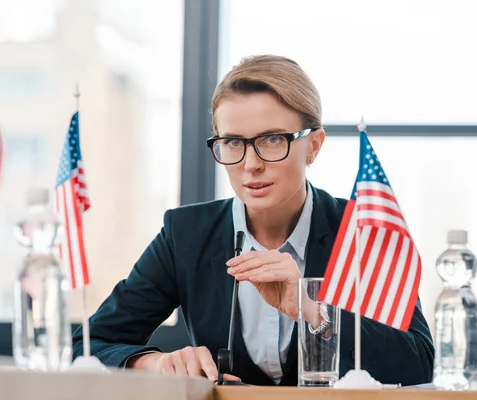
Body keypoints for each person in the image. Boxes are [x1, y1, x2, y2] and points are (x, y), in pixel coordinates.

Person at [72, 54, 434, 386]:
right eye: (232, 142)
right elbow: (87, 346)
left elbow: (419, 361)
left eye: (272, 139)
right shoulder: (185, 234)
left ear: (314, 145)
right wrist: (156, 363)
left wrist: (313, 312)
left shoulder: (362, 230)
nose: (250, 164)